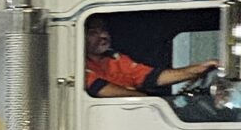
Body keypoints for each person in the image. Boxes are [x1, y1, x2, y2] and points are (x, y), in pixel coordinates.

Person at [85, 18, 218, 99]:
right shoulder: (75, 63)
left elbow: (150, 77)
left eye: (104, 31)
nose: (103, 36)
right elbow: (100, 89)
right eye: (93, 33)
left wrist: (199, 69)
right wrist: (147, 100)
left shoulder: (114, 58)